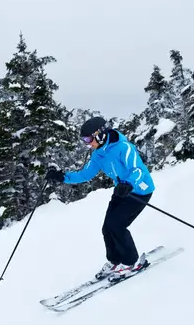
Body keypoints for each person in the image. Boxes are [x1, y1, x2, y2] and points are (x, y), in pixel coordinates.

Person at [45, 116, 155, 281]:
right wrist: (62, 177)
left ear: (100, 134)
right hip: (121, 191)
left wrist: (129, 184)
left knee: (117, 225)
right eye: (84, 139)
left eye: (88, 139)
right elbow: (85, 174)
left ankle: (131, 262)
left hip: (139, 190)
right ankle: (115, 261)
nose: (87, 143)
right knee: (107, 228)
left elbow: (137, 169)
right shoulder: (98, 154)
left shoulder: (124, 147)